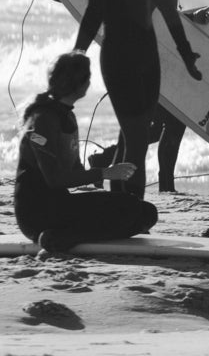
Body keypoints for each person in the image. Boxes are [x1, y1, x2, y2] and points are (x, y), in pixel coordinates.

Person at [72, 0, 200, 200]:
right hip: (119, 59)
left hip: (148, 59)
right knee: (137, 142)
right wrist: (78, 53)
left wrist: (186, 57)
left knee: (132, 140)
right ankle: (132, 210)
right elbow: (94, 12)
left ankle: (120, 204)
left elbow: (172, 16)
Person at [15, 50, 156, 254]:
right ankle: (60, 238)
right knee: (131, 213)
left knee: (144, 212)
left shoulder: (66, 116)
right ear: (81, 84)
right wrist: (104, 173)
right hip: (36, 214)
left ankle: (68, 233)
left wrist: (99, 186)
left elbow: (74, 171)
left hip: (60, 204)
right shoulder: (42, 119)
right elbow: (54, 179)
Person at [149, 0, 200, 194]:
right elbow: (172, 23)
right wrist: (188, 57)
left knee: (154, 126)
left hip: (138, 57)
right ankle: (164, 186)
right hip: (144, 61)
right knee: (167, 122)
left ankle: (108, 166)